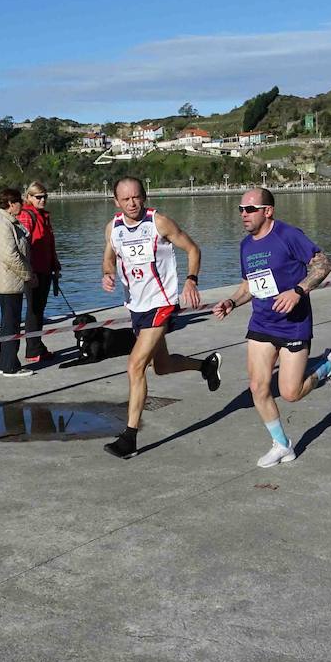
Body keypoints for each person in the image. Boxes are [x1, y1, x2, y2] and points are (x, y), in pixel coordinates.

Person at [213, 189, 331, 467]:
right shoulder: (245, 246)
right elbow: (249, 285)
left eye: (250, 209)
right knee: (257, 387)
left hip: (294, 325)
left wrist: (297, 291)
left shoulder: (288, 235)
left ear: (268, 211)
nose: (243, 214)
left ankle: (328, 365)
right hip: (261, 323)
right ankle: (282, 445)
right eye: (241, 209)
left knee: (290, 393)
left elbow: (324, 264)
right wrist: (232, 302)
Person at [100, 176, 222, 459]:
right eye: (126, 199)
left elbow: (193, 248)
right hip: (136, 306)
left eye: (137, 197)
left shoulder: (159, 222)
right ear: (116, 202)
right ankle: (205, 366)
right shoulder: (113, 228)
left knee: (135, 366)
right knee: (162, 366)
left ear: (145, 196)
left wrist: (191, 280)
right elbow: (109, 257)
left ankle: (129, 437)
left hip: (162, 303)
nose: (132, 203)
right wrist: (107, 273)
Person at [0, 187, 37, 377]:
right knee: (11, 324)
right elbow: (10, 255)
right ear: (10, 204)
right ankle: (10, 366)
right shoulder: (2, 225)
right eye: (19, 202)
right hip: (8, 282)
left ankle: (6, 362)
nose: (22, 206)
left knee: (11, 323)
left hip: (11, 281)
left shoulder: (10, 222)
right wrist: (28, 275)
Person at [17, 181, 61, 365]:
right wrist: (30, 271)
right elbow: (23, 245)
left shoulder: (43, 216)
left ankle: (36, 345)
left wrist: (55, 265)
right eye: (38, 197)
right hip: (34, 270)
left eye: (44, 196)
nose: (42, 200)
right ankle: (33, 348)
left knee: (38, 309)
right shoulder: (27, 216)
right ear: (28, 198)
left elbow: (49, 244)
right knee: (34, 310)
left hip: (45, 268)